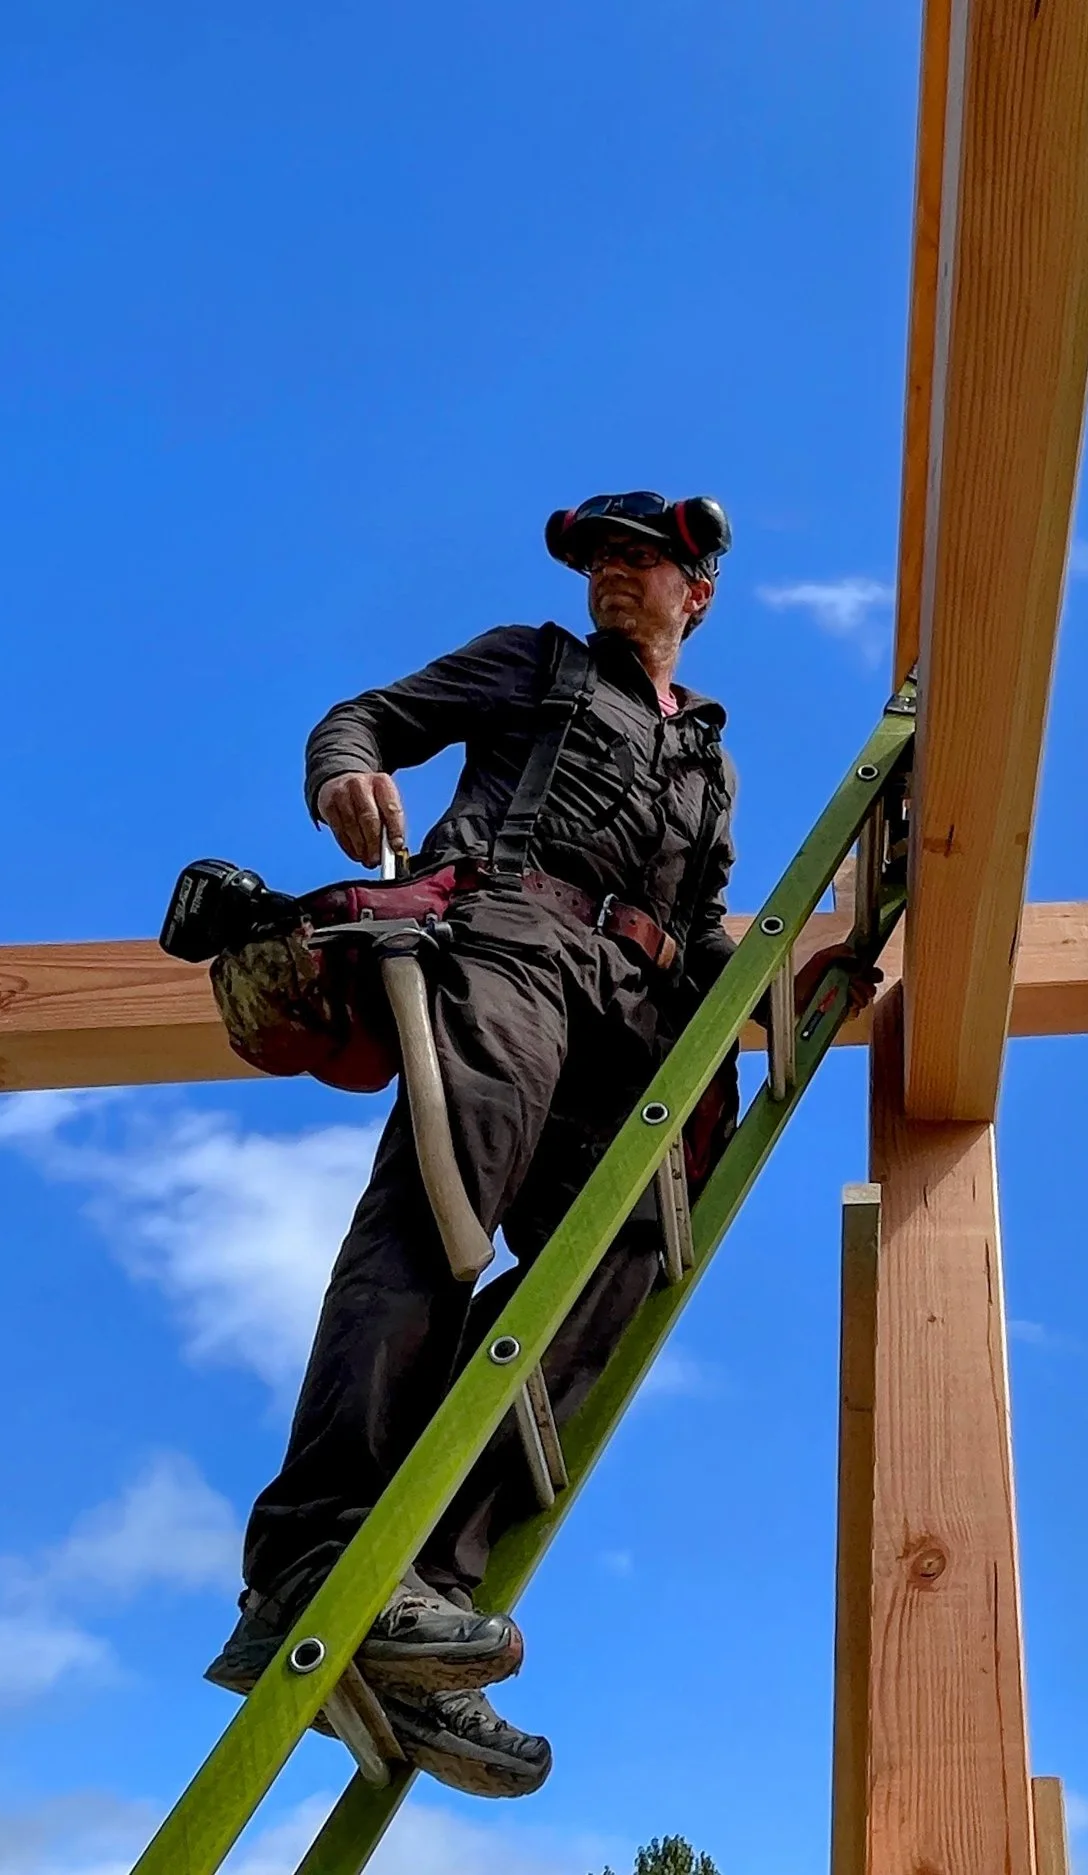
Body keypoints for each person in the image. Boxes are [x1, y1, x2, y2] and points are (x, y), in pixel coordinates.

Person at [204, 492, 746, 1799]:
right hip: (511, 938)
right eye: (603, 558)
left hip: (637, 1020)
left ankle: (418, 1595)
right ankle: (319, 1555)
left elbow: (712, 918)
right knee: (447, 1189)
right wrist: (345, 771)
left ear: (697, 595)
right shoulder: (533, 662)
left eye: (643, 560)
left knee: (619, 1260)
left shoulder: (711, 760)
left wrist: (800, 971)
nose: (617, 576)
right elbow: (368, 717)